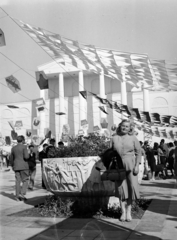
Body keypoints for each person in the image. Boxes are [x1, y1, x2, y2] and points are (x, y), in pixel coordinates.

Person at [110, 119, 141, 222]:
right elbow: (110, 153)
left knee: (131, 187)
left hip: (131, 164)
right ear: (120, 126)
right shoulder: (114, 138)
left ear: (130, 128)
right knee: (121, 189)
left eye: (127, 126)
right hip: (119, 165)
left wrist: (137, 166)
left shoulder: (133, 138)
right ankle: (123, 211)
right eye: (123, 126)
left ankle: (129, 211)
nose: (124, 128)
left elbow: (138, 152)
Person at [10, 135, 29, 201]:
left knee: (17, 181)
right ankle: (22, 193)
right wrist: (29, 154)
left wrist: (12, 165)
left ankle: (17, 196)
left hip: (16, 166)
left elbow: (11, 158)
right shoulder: (24, 147)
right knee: (26, 180)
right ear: (23, 140)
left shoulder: (13, 148)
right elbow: (26, 157)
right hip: (23, 166)